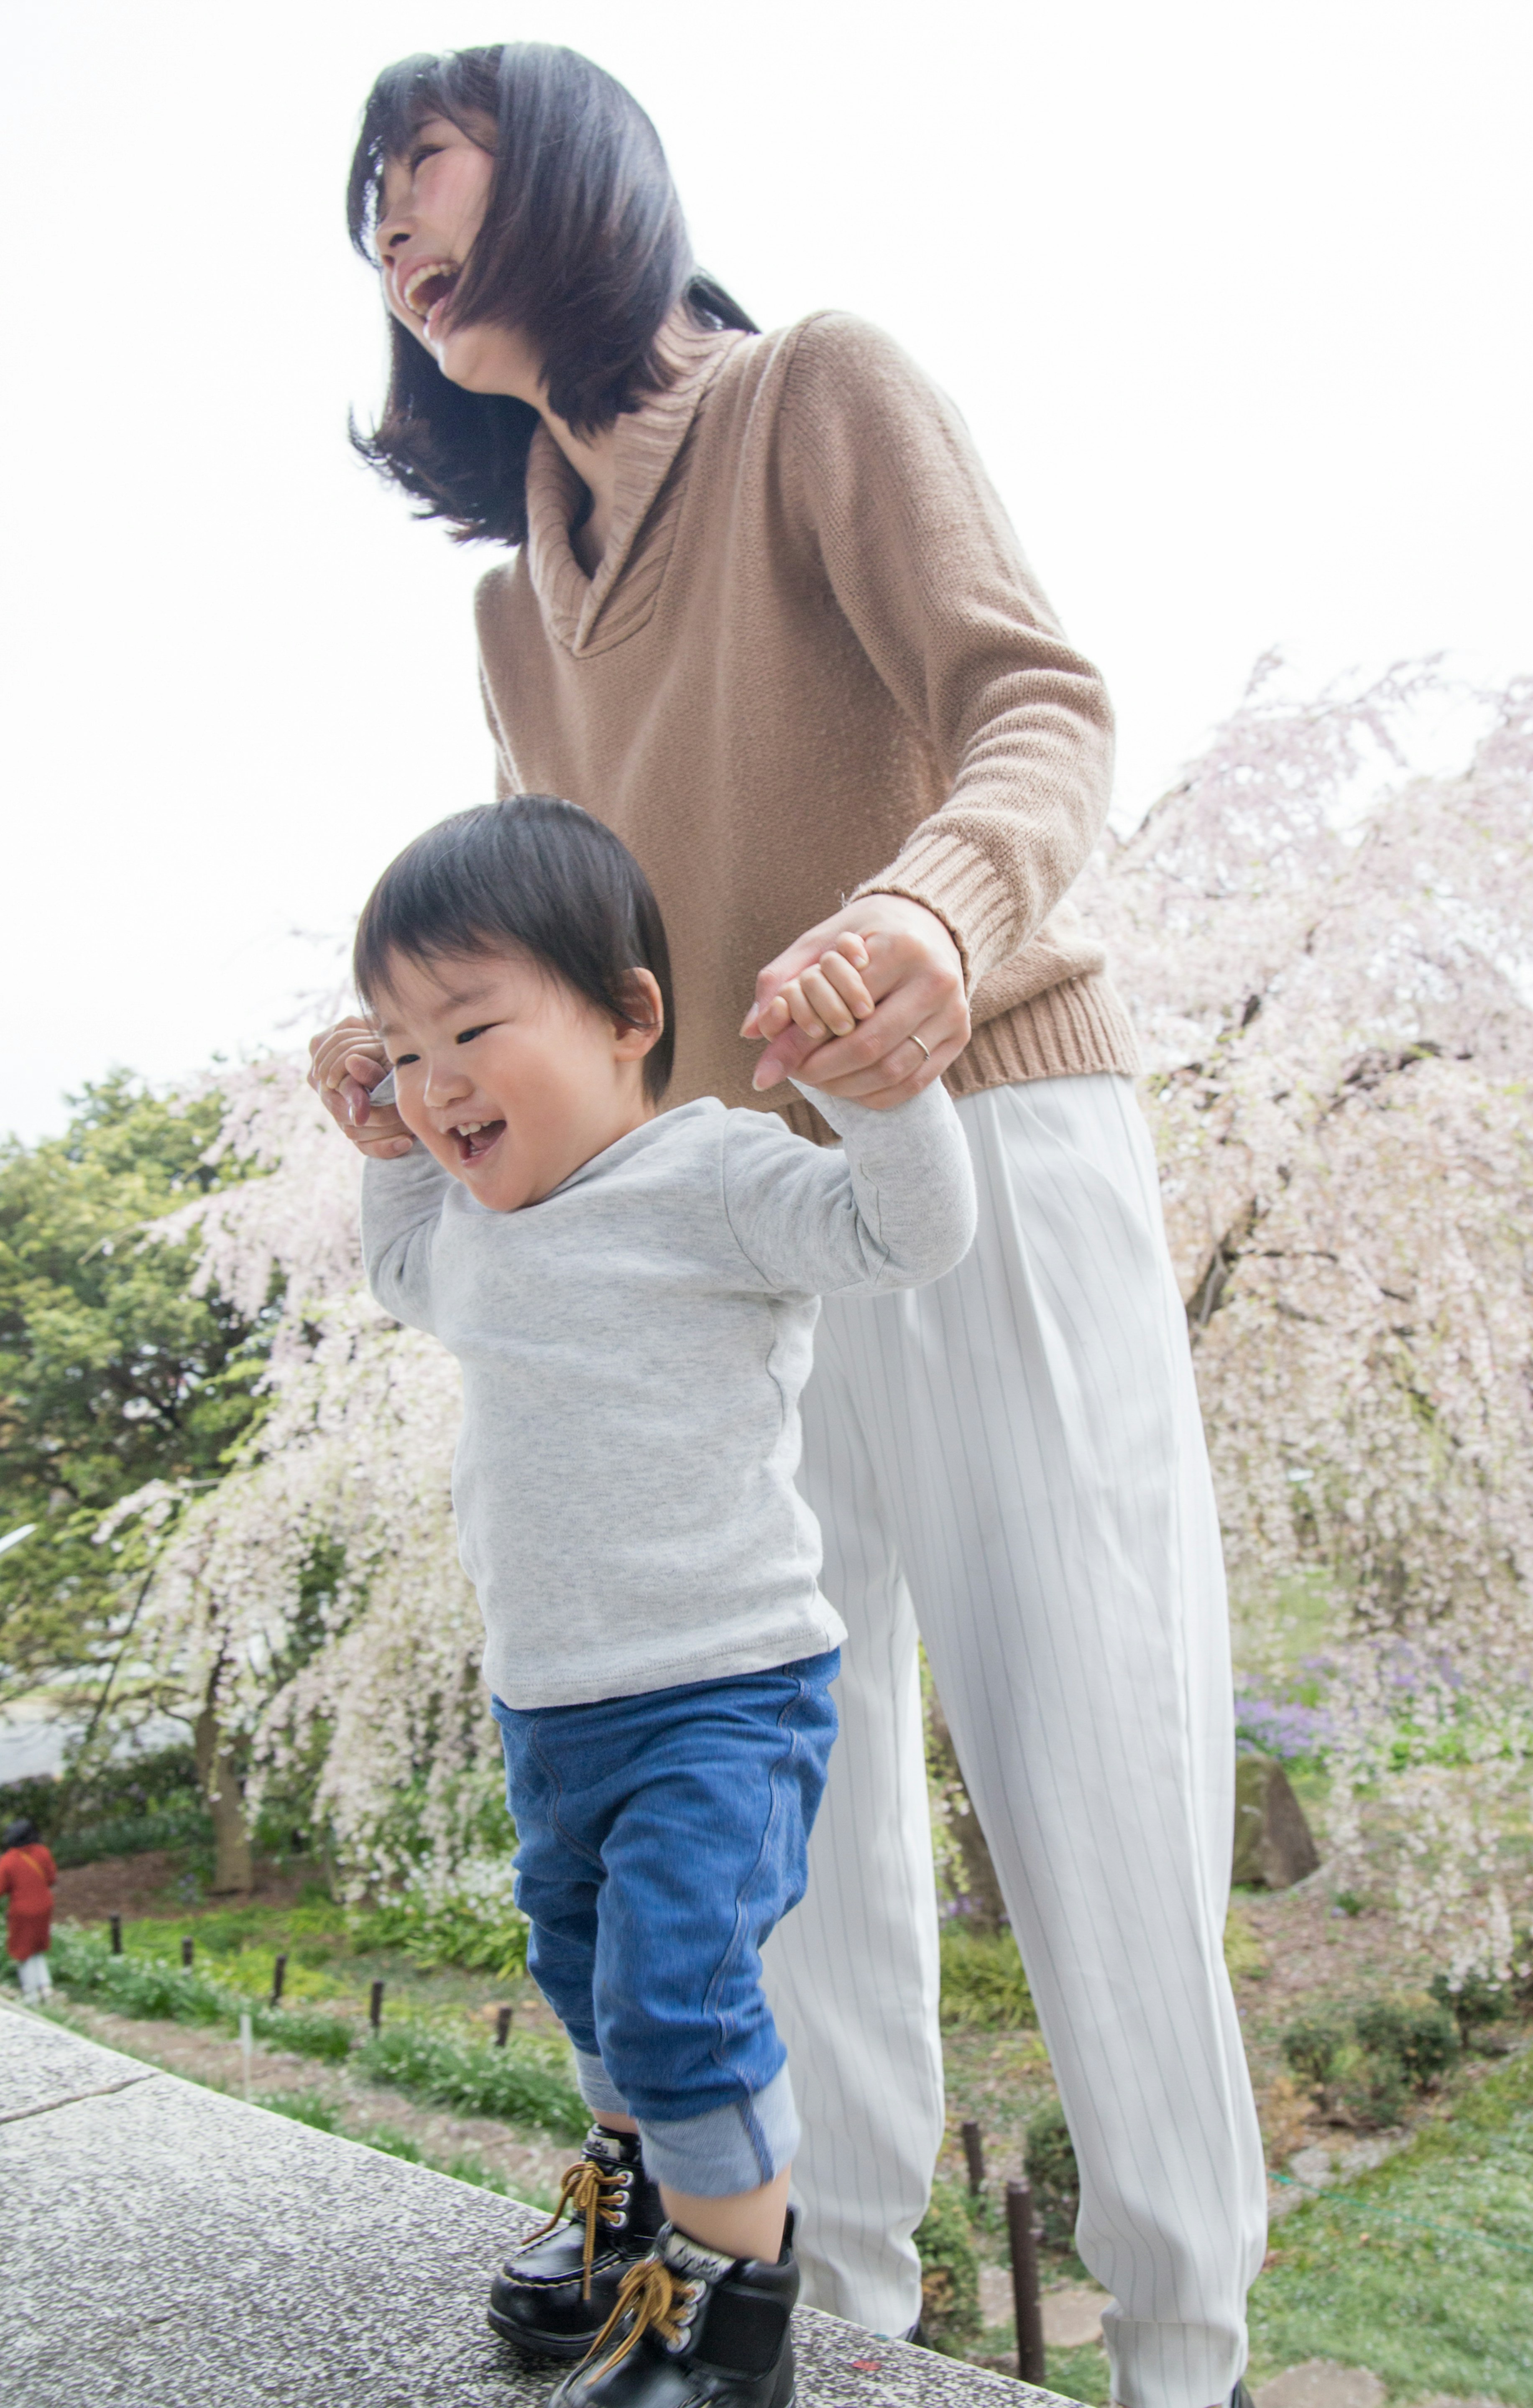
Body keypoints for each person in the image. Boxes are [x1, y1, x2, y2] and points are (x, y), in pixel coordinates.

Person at [322, 43, 1266, 2408]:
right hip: (713, 1231)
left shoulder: (811, 390)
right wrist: (426, 1064)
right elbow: (578, 957)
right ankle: (829, 2306)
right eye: (358, 214)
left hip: (981, 1143)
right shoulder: (515, 610)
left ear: (555, 167)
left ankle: (1182, 2340)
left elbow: (1030, 703)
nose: (383, 232)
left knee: (1089, 1738)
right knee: (787, 1763)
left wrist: (933, 922)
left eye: (407, 170)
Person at [310, 796, 976, 2408]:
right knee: (584, 1968)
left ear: (628, 1016)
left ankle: (725, 2332)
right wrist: (393, 1158)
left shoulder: (716, 1173)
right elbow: (399, 1271)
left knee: (677, 1990)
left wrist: (863, 1089)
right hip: (551, 1694)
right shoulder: (480, 1230)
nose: (436, 1076)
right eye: (401, 1049)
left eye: (470, 1026)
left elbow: (912, 1230)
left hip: (720, 1687)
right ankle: (625, 2218)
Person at [1, 1816, 57, 2001]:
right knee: (38, 1947)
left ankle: (31, 1994)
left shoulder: (8, 1860)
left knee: (23, 1950)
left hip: (23, 1911)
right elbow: (51, 1879)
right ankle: (46, 1987)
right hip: (45, 1907)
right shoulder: (43, 1852)